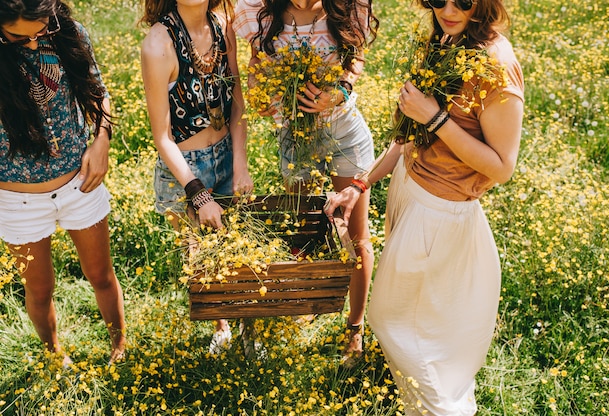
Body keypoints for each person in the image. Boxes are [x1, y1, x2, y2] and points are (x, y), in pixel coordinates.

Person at [325, 0, 524, 413]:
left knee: (397, 324)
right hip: (410, 190)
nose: (448, 10)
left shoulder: (497, 66)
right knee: (415, 324)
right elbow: (408, 134)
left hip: (439, 210)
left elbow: (503, 167)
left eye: (463, 2)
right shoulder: (446, 39)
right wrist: (361, 184)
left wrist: (435, 118)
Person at [233, 0, 378, 362]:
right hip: (295, 139)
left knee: (357, 236)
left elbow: (354, 56)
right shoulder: (263, 14)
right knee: (304, 231)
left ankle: (355, 329)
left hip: (346, 135)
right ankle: (307, 308)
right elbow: (256, 70)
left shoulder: (344, 8)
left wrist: (340, 91)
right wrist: (261, 96)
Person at [0, 0, 126, 366]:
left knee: (101, 274)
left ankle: (119, 344)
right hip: (16, 200)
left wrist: (101, 140)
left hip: (79, 185)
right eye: (19, 37)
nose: (35, 42)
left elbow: (98, 92)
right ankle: (55, 354)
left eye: (41, 30)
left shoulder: (67, 33)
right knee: (39, 289)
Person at [140, 0, 253, 353]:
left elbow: (237, 102)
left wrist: (241, 164)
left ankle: (249, 331)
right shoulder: (158, 45)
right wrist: (198, 193)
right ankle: (223, 330)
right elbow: (162, 137)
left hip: (225, 155)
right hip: (185, 169)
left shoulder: (223, 26)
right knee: (203, 259)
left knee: (245, 250)